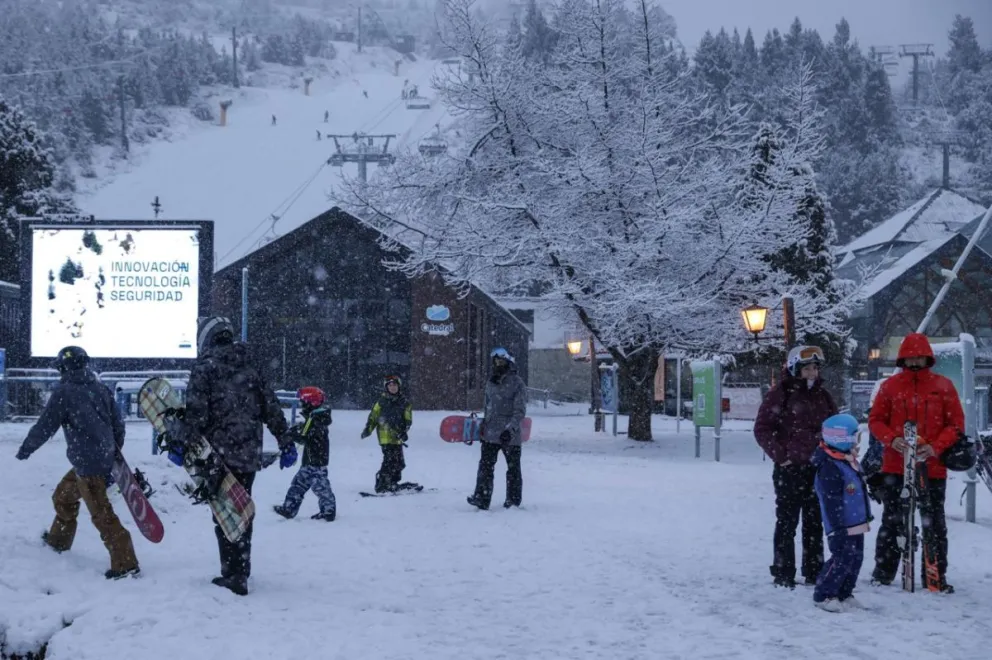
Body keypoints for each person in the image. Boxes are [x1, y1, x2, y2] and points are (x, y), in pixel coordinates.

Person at [181, 316, 296, 596]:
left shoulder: (204, 368)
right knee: (242, 508)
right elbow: (271, 406)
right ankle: (241, 570)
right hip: (247, 453)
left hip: (217, 455)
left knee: (224, 512)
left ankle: (232, 574)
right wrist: (285, 440)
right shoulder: (251, 366)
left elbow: (196, 414)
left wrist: (183, 444)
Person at [15, 346, 140, 580]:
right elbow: (118, 423)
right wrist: (112, 451)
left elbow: (45, 426)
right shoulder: (100, 388)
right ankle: (58, 540)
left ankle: (126, 564)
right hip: (93, 460)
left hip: (89, 465)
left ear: (62, 368)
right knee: (63, 497)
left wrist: (26, 449)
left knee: (101, 514)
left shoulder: (64, 392)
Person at [867, 332, 963, 593]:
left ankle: (934, 575)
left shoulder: (943, 386)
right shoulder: (890, 387)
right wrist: (892, 439)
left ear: (928, 358)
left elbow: (955, 424)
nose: (915, 362)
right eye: (910, 357)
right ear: (902, 359)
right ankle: (884, 572)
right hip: (896, 466)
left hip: (932, 467)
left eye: (919, 357)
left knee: (934, 523)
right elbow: (876, 421)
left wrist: (935, 447)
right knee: (893, 521)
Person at [754, 345, 838, 588]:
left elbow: (834, 426)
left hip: (817, 468)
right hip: (789, 469)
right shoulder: (780, 394)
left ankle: (814, 570)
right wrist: (781, 456)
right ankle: (783, 571)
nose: (812, 373)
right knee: (787, 521)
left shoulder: (823, 396)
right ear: (795, 369)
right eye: (807, 368)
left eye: (815, 368)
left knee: (814, 522)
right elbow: (762, 429)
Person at [811, 413, 872, 612]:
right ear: (841, 438)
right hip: (841, 524)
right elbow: (831, 501)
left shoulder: (847, 460)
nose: (858, 442)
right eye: (855, 437)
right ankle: (824, 594)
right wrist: (837, 527)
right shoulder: (830, 467)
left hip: (856, 521)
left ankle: (844, 592)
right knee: (842, 558)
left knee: (855, 559)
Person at [467, 347, 527, 510]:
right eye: (495, 362)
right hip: (490, 433)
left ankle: (513, 501)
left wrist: (510, 429)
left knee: (513, 469)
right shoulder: (491, 382)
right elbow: (488, 407)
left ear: (508, 363)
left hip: (510, 435)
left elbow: (519, 411)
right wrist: (482, 427)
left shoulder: (517, 383)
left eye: (501, 362)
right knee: (485, 466)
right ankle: (481, 498)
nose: (497, 365)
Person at [274, 386, 336, 521]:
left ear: (310, 402)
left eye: (303, 402)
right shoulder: (314, 417)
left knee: (321, 487)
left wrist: (293, 435)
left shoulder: (317, 419)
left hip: (316, 461)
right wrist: (296, 430)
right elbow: (305, 430)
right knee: (298, 485)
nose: (301, 405)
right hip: (309, 460)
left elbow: (306, 437)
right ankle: (289, 509)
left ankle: (328, 511)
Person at [361, 376, 413, 493]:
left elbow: (408, 420)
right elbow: (373, 417)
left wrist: (404, 431)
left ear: (399, 387)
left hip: (397, 437)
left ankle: (393, 482)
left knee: (399, 462)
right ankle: (382, 483)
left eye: (395, 385)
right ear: (386, 388)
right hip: (385, 437)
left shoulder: (404, 403)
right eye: (390, 385)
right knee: (389, 461)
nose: (392, 387)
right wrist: (368, 429)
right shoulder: (381, 402)